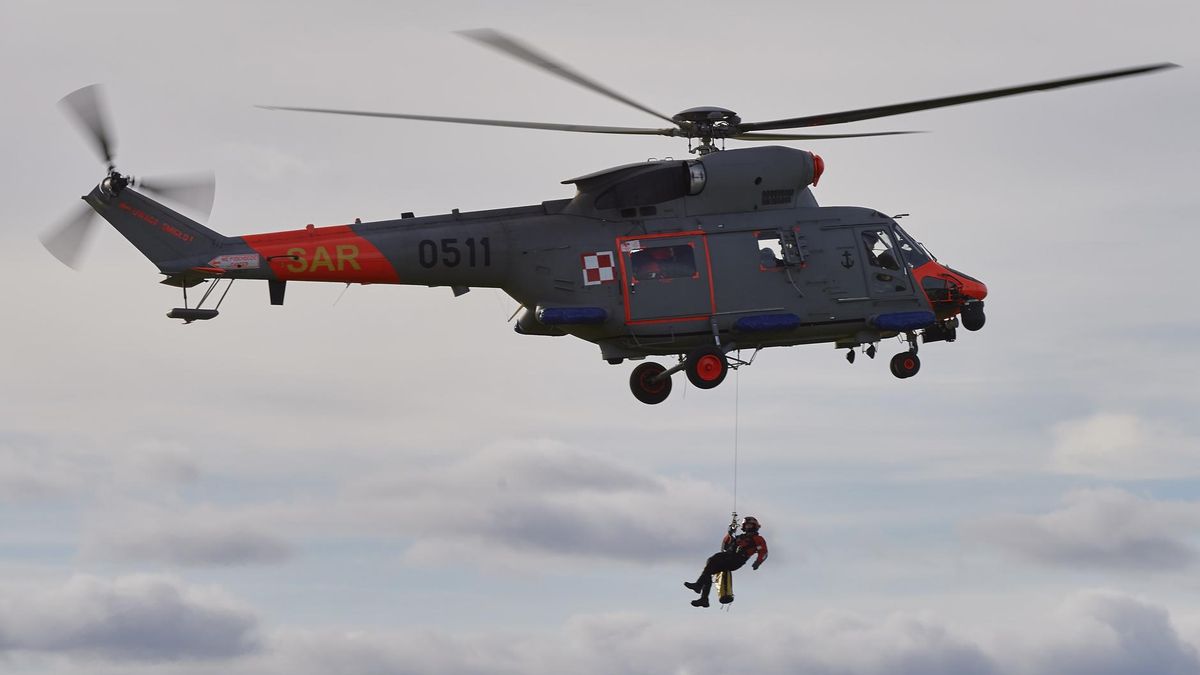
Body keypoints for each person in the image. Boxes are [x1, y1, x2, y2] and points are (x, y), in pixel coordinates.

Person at [684, 516, 768, 607]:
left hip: (737, 560)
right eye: (746, 525)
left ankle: (698, 585)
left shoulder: (758, 539)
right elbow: (725, 546)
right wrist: (730, 533)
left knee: (715, 558)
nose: (748, 527)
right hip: (728, 558)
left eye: (750, 525)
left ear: (755, 526)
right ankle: (704, 599)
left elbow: (764, 552)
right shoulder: (739, 537)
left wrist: (758, 562)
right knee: (708, 569)